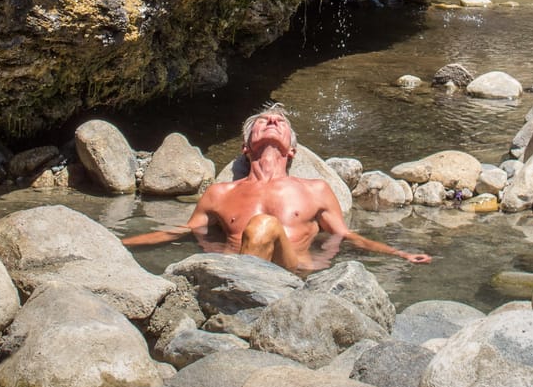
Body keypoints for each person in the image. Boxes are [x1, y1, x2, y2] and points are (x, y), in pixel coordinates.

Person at [122, 103, 432, 270]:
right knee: (261, 227)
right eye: (263, 121)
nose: (272, 122)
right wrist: (122, 244)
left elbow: (345, 235)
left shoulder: (315, 189)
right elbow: (182, 231)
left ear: (292, 149)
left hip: (291, 270)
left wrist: (398, 254)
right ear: (246, 146)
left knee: (264, 226)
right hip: (234, 270)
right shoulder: (220, 193)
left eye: (280, 122)